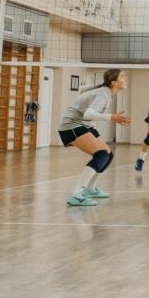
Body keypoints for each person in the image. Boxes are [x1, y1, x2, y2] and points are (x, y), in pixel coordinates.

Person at [58, 69, 131, 206]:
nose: (125, 78)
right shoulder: (103, 94)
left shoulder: (104, 90)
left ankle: (90, 189)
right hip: (71, 126)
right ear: (113, 82)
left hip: (83, 125)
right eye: (122, 76)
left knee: (108, 154)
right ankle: (76, 194)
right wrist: (112, 117)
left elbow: (82, 90)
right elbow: (88, 114)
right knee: (101, 154)